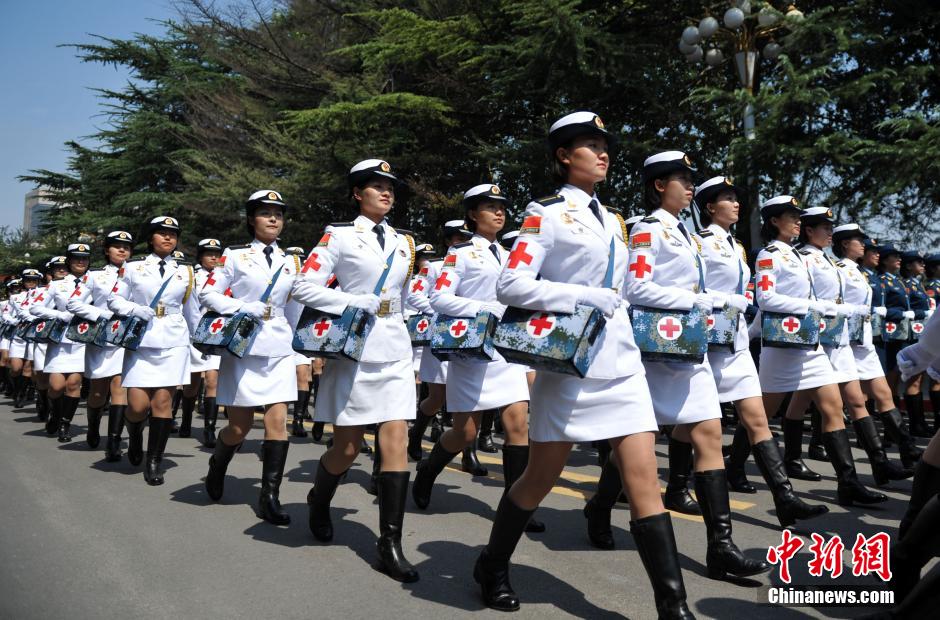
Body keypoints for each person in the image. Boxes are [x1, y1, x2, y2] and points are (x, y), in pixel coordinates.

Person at [475, 112, 694, 617]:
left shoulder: (614, 219)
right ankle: (492, 563)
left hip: (622, 362)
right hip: (570, 364)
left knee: (644, 480)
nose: (602, 153)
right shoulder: (545, 212)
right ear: (563, 155)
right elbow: (511, 285)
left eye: (604, 146)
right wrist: (580, 295)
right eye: (590, 145)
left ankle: (673, 606)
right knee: (539, 478)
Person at [626, 153, 770, 583]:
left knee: (708, 434)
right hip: (658, 349)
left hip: (690, 346)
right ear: (659, 186)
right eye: (682, 180)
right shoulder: (647, 230)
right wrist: (694, 301)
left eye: (691, 181)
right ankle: (599, 506)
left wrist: (705, 303)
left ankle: (720, 547)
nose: (690, 187)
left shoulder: (686, 234)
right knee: (637, 441)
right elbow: (636, 287)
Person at [655, 176, 827, 529]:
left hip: (733, 343)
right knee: (690, 420)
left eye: (736, 198)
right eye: (727, 198)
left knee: (757, 419)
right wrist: (726, 301)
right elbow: (692, 287)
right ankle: (654, 490)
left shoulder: (738, 247)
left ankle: (784, 498)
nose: (736, 204)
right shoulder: (699, 242)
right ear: (709, 207)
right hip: (706, 342)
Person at [293, 159, 421, 583]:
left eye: (390, 187)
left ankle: (390, 544)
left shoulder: (405, 242)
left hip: (394, 348)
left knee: (396, 441)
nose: (386, 193)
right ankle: (319, 498)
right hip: (355, 349)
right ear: (357, 193)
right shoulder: (339, 236)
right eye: (376, 186)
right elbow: (302, 286)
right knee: (347, 449)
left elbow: (405, 296)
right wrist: (349, 301)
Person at [414, 183, 543, 532]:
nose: (499, 213)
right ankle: (427, 471)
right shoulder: (460, 253)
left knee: (518, 426)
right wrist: (483, 308)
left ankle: (515, 507)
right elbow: (439, 298)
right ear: (473, 214)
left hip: (506, 350)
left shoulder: (512, 254)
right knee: (465, 432)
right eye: (490, 207)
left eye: (502, 207)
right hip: (471, 350)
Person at [755, 196, 887, 506]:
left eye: (799, 217)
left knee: (833, 406)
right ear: (774, 221)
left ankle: (848, 482)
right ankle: (736, 466)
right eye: (792, 217)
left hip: (809, 341)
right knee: (759, 414)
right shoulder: (769, 254)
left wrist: (819, 308)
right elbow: (765, 299)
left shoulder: (799, 256)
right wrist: (811, 306)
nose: (797, 222)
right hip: (783, 344)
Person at [200, 191, 301, 524]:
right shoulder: (234, 256)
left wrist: (300, 346)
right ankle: (218, 463)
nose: (273, 219)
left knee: (277, 423)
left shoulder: (292, 260)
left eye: (278, 214)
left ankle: (269, 496)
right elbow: (207, 293)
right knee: (239, 427)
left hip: (279, 347)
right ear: (251, 219)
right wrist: (242, 307)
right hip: (244, 346)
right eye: (265, 213)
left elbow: (295, 307)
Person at [791, 210, 912, 484]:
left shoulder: (830, 261)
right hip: (823, 337)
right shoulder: (807, 258)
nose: (829, 233)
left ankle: (881, 462)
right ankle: (789, 459)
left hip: (845, 337)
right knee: (803, 403)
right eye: (825, 228)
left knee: (851, 400)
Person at [108, 216, 198, 486]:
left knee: (162, 403)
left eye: (173, 234)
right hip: (142, 339)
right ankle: (135, 433)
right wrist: (135, 309)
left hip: (173, 339)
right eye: (162, 233)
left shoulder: (186, 271)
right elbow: (114, 299)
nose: (168, 237)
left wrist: (199, 342)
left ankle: (154, 460)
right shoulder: (133, 267)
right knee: (138, 406)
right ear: (150, 238)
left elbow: (192, 311)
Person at [832, 224, 921, 468]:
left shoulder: (859, 272)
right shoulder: (838, 270)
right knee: (852, 402)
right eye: (858, 241)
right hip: (847, 342)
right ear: (844, 244)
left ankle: (908, 450)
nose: (864, 246)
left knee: (884, 394)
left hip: (865, 341)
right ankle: (881, 463)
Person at [406, 220, 472, 461]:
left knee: (473, 397)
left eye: (466, 238)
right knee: (437, 397)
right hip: (441, 334)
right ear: (447, 241)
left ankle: (469, 452)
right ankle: (415, 435)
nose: (463, 243)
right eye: (458, 239)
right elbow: (414, 295)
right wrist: (440, 310)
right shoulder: (434, 266)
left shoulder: (479, 261)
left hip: (470, 335)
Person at [67, 231, 133, 457]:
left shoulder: (138, 273)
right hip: (100, 339)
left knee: (120, 388)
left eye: (126, 247)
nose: (122, 250)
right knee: (98, 391)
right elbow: (74, 303)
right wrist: (102, 315)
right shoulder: (94, 276)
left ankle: (114, 441)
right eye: (117, 246)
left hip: (125, 338)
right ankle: (93, 427)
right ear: (107, 250)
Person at [31, 244, 91, 441]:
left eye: (84, 258)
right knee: (56, 387)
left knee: (73, 384)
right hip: (60, 340)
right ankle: (55, 415)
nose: (81, 261)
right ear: (69, 261)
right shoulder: (57, 285)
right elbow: (35, 308)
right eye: (76, 258)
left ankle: (65, 424)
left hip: (84, 339)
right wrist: (59, 315)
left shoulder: (95, 281)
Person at [182, 238, 223, 444]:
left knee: (213, 381)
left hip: (218, 334)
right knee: (192, 384)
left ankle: (209, 429)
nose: (214, 258)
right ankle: (186, 420)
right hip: (196, 334)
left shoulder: (225, 277)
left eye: (217, 254)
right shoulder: (193, 277)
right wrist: (197, 333)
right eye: (209, 254)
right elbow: (189, 309)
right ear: (200, 256)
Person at [879, 244, 921, 431]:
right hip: (891, 334)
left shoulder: (898, 281)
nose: (899, 259)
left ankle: (906, 426)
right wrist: (901, 314)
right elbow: (881, 309)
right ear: (884, 260)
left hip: (903, 333)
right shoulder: (883, 281)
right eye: (894, 256)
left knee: (898, 378)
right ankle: (892, 429)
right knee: (891, 379)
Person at [900, 251, 932, 437]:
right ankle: (915, 424)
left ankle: (919, 423)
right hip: (911, 335)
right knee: (913, 379)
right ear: (908, 266)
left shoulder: (918, 284)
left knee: (918, 379)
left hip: (920, 333)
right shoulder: (906, 284)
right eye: (918, 262)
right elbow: (907, 309)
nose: (923, 265)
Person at [284, 246, 314, 439]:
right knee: (282, 381)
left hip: (302, 337)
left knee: (303, 376)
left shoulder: (308, 283)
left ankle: (298, 420)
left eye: (301, 260)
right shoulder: (281, 282)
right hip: (281, 337)